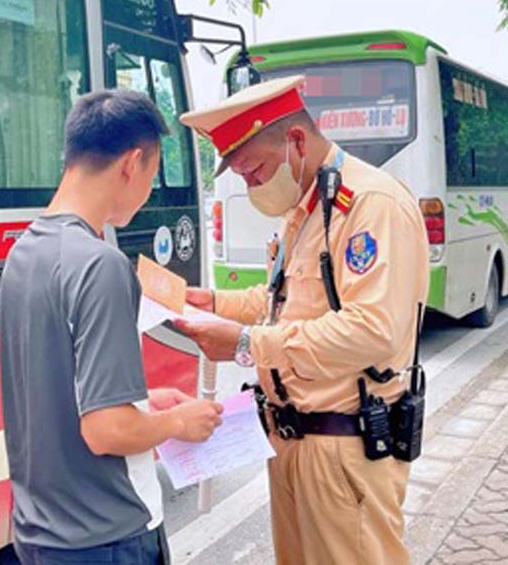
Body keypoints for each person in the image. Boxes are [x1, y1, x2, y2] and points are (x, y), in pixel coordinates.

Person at [175, 76, 429, 565]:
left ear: (296, 141)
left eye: (257, 172)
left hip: (344, 449)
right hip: (293, 442)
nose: (253, 187)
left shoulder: (370, 205)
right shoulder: (310, 206)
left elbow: (373, 330)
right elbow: (284, 300)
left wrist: (248, 343)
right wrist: (213, 303)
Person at [0, 89, 224, 564]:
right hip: (106, 538)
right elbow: (106, 430)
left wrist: (146, 405)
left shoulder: (22, 252)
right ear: (131, 163)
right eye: (152, 174)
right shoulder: (101, 265)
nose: (147, 193)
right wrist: (179, 421)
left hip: (39, 534)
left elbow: (59, 393)